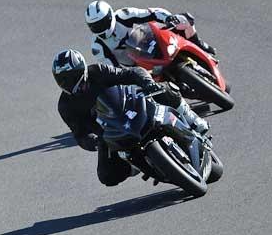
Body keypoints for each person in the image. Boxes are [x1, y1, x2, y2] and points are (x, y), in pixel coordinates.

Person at [53, 49, 209, 187]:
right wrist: (94, 141)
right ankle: (136, 165)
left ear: (83, 70)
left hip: (130, 105)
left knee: (166, 91)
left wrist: (149, 83)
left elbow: (131, 73)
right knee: (106, 176)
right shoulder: (65, 106)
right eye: (62, 80)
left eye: (71, 77)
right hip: (109, 133)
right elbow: (79, 134)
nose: (68, 83)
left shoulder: (98, 71)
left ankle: (193, 120)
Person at [85, 0, 217, 67]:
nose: (99, 28)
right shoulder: (97, 46)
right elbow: (112, 69)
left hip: (147, 43)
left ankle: (198, 44)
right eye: (94, 26)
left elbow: (152, 13)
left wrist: (168, 18)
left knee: (185, 19)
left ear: (110, 17)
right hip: (137, 66)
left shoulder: (124, 15)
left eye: (101, 24)